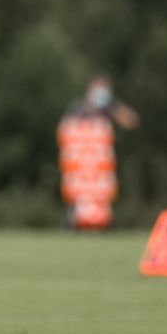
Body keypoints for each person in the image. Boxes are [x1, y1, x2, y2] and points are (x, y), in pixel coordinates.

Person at [57, 74, 138, 230]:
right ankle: (74, 221)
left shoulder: (109, 110)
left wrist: (114, 108)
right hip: (82, 167)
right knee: (79, 197)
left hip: (101, 166)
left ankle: (101, 222)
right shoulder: (77, 108)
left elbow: (131, 121)